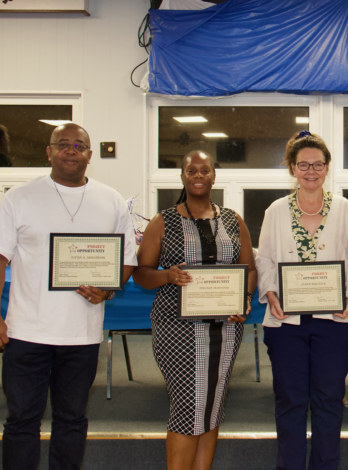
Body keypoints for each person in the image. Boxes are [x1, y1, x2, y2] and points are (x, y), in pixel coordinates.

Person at [0, 123, 138, 470]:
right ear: (49, 151)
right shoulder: (19, 198)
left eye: (79, 145)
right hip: (26, 334)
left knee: (71, 420)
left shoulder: (110, 198)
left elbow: (127, 258)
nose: (71, 150)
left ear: (89, 155)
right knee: (22, 421)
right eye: (62, 144)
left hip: (81, 336)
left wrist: (108, 288)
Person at [133, 150, 257, 470]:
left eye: (205, 170)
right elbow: (141, 272)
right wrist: (167, 275)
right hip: (177, 330)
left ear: (214, 176)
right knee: (189, 405)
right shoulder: (163, 221)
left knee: (213, 406)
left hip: (226, 328)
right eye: (192, 170)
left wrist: (244, 298)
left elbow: (250, 268)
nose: (198, 175)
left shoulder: (232, 219)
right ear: (183, 176)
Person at [256, 131, 348, 470]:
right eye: (303, 164)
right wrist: (271, 293)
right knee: (290, 400)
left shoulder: (344, 208)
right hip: (285, 321)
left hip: (334, 321)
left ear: (327, 168)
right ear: (292, 168)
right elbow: (265, 260)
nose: (310, 171)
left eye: (317, 164)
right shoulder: (275, 210)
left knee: (329, 400)